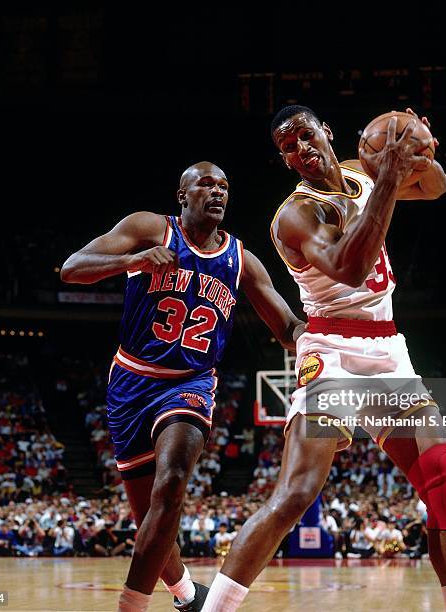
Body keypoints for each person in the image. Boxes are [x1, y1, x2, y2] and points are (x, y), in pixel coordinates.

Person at [202, 106, 446, 612]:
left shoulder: (363, 170)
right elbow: (351, 270)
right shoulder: (297, 214)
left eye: (305, 136)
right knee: (296, 493)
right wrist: (390, 181)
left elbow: (436, 187)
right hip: (331, 352)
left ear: (326, 132)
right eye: (288, 148)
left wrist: (422, 148)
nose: (300, 150)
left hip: (389, 350)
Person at [61, 161, 303, 612]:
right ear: (182, 194)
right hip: (131, 382)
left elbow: (288, 326)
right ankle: (187, 596)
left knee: (171, 483)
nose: (218, 192)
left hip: (190, 382)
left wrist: (321, 337)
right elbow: (72, 269)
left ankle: (130, 605)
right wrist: (130, 261)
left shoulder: (241, 259)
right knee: (149, 516)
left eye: (225, 186)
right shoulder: (149, 228)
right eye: (206, 184)